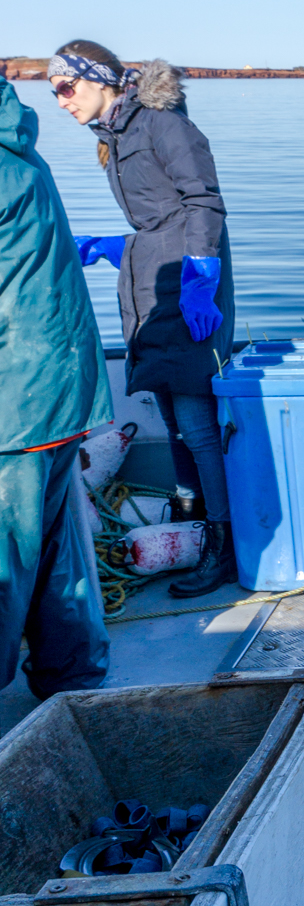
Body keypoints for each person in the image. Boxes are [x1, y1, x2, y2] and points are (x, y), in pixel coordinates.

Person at [48, 42, 238, 598]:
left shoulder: (161, 123)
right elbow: (159, 214)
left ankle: (222, 549)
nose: (61, 101)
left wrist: (201, 279)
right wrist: (115, 245)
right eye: (53, 91)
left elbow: (203, 201)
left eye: (67, 87)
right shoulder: (114, 135)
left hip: (187, 279)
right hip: (153, 276)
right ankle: (194, 530)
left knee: (197, 422)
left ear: (100, 80)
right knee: (172, 416)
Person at [0, 76, 112, 697]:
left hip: (14, 401)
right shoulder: (18, 150)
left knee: (6, 559)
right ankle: (72, 679)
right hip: (59, 389)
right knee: (54, 546)